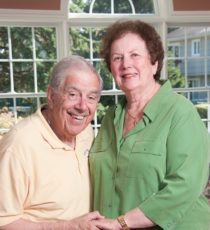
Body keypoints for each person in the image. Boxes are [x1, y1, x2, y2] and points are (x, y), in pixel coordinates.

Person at [89, 19, 210, 229]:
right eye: (117, 58)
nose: (126, 64)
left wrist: (121, 223)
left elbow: (184, 186)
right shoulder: (110, 118)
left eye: (135, 55)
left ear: (154, 62)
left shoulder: (180, 113)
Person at [0, 55, 104, 230]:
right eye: (72, 94)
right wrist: (68, 227)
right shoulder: (19, 144)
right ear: (51, 95)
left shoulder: (85, 132)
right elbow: (4, 221)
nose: (82, 106)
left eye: (91, 97)